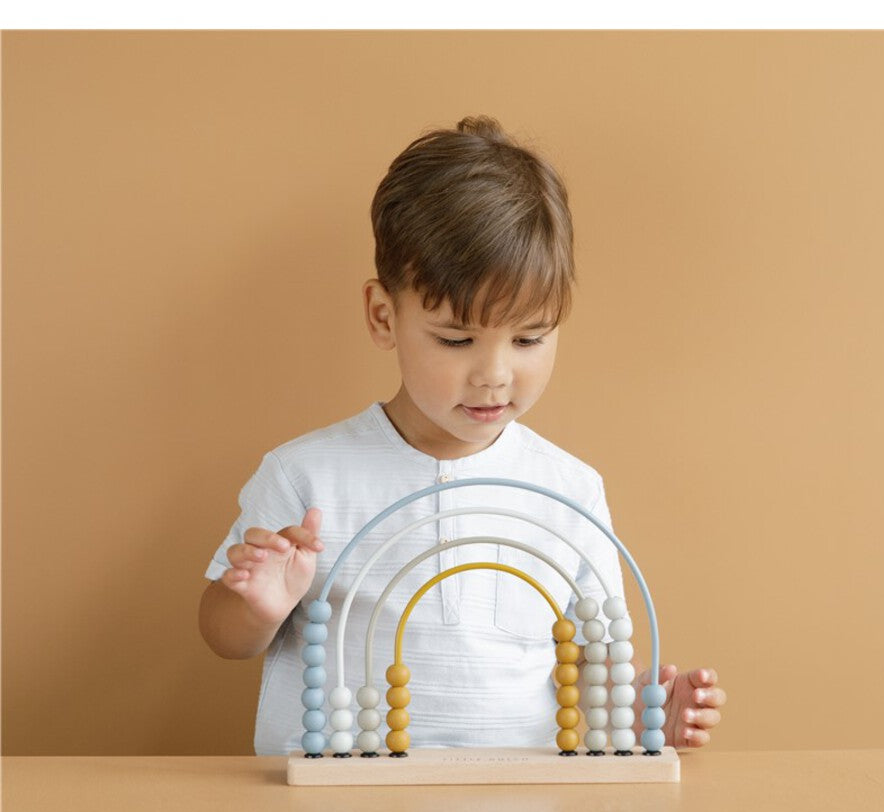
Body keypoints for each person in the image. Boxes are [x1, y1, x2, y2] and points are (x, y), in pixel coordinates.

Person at [198, 116, 726, 756]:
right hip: (339, 808)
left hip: (518, 808)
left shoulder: (570, 490)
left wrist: (644, 713)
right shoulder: (305, 477)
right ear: (383, 316)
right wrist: (256, 607)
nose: (495, 375)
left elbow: (598, 665)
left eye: (529, 338)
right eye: (456, 340)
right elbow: (223, 636)